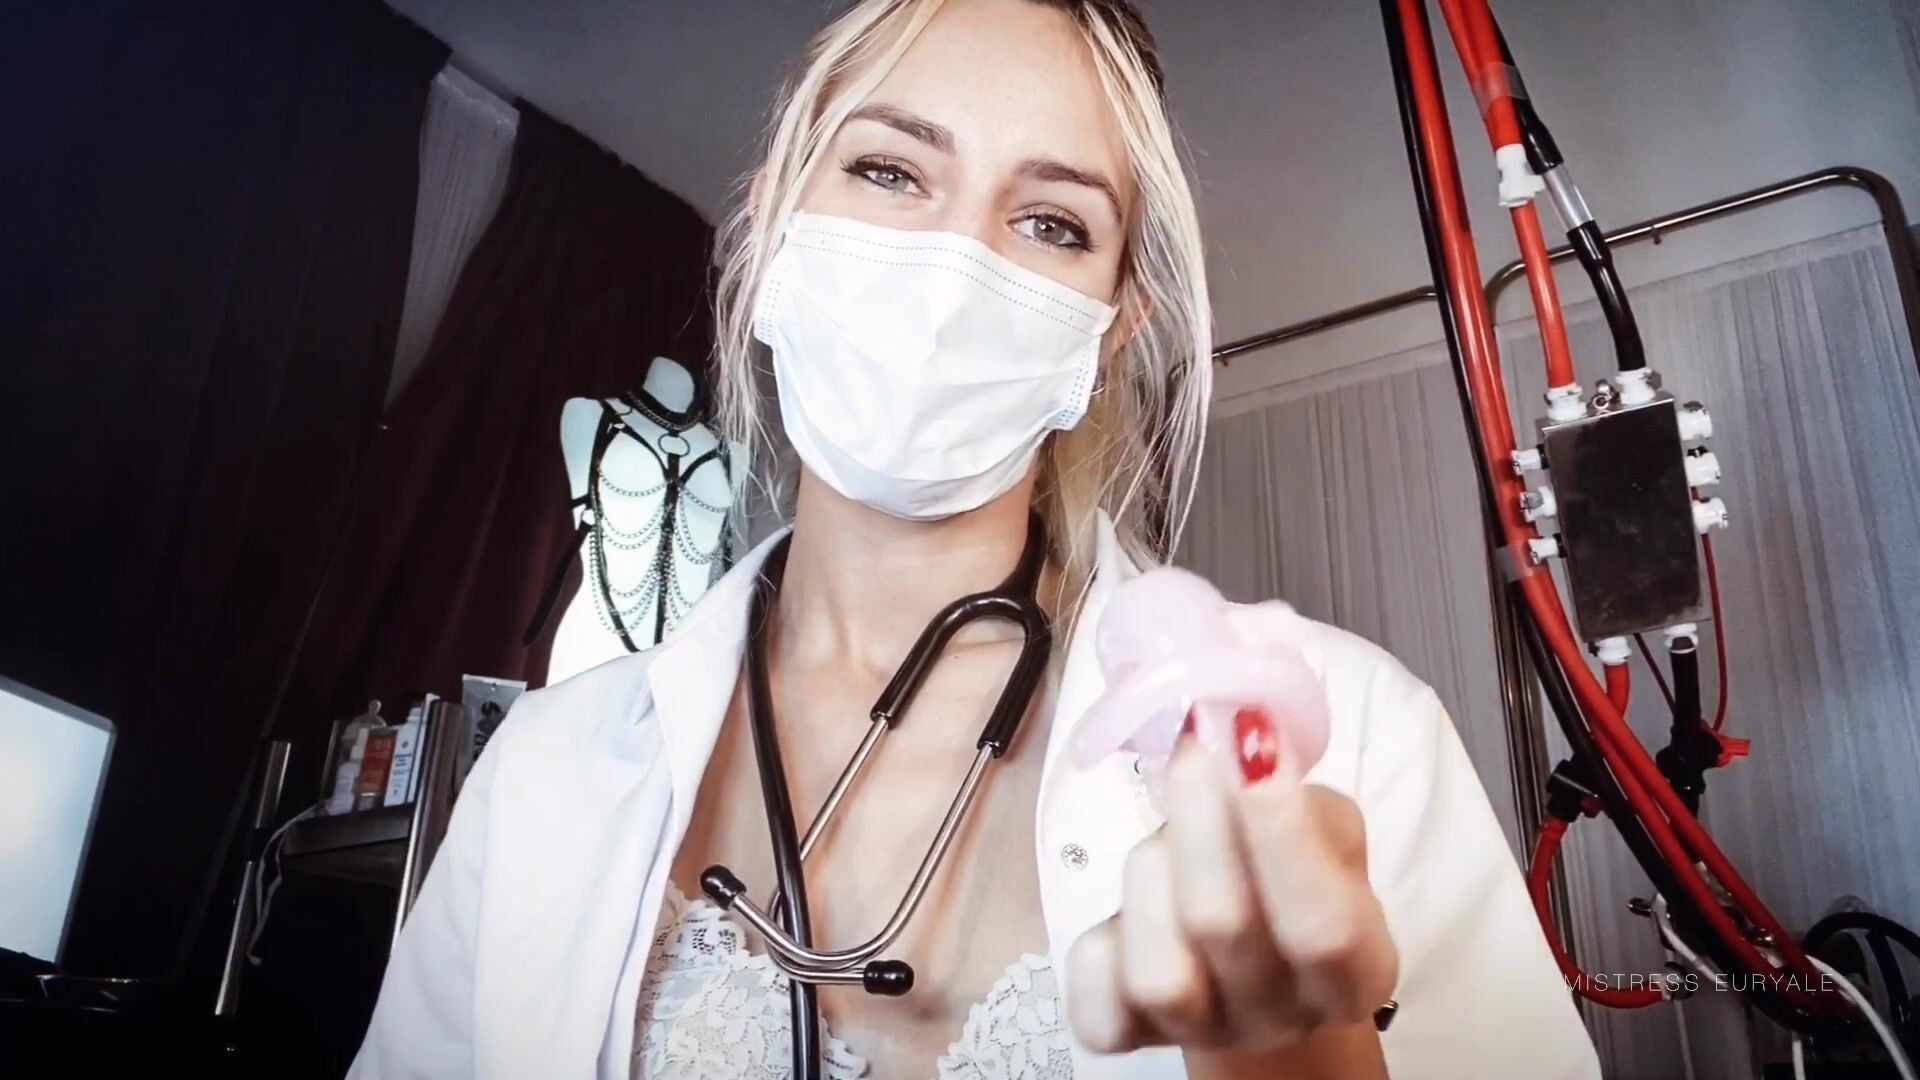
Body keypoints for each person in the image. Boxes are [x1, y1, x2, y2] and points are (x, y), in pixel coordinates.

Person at [350, 1, 1602, 1077]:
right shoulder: (548, 772)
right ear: (773, 226)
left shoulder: (1349, 736)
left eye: (1052, 223)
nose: (952, 268)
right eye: (890, 172)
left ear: (1108, 333)